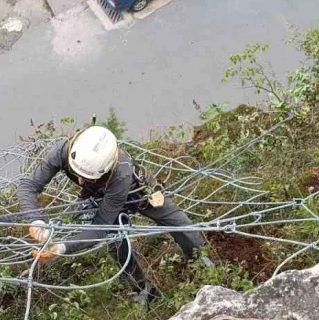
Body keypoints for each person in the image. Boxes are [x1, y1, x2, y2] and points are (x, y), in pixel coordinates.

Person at [16, 126, 208, 306]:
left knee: (180, 224)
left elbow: (100, 226)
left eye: (87, 177)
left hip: (137, 192)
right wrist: (36, 220)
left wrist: (62, 248)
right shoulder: (62, 151)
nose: (80, 180)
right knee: (117, 245)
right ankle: (143, 291)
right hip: (97, 196)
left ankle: (200, 260)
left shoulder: (121, 173)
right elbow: (28, 186)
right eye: (76, 174)